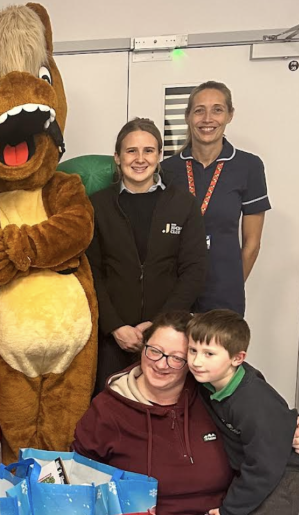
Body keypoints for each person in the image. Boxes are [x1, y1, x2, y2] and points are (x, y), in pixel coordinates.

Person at [72, 311, 299, 515]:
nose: (160, 363)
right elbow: (80, 476)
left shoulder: (216, 394)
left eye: (177, 358)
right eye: (154, 350)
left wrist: (297, 424)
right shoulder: (108, 408)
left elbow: (260, 406)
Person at [187, 309, 299, 515]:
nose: (195, 361)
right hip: (249, 474)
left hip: (284, 475)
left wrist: (230, 512)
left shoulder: (252, 401)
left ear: (237, 358)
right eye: (192, 350)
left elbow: (265, 466)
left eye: (209, 354)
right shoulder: (209, 382)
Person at [87, 118, 207, 395]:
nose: (140, 159)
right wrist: (115, 326)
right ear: (117, 157)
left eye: (149, 151)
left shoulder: (183, 204)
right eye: (131, 151)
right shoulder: (97, 205)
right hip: (113, 338)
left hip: (169, 336)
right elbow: (91, 271)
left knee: (166, 413)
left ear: (159, 156)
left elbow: (194, 270)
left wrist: (160, 324)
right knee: (110, 413)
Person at [162, 81, 269, 315]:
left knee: (216, 352)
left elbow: (252, 242)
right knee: (174, 352)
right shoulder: (166, 170)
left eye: (217, 109)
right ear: (188, 116)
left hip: (224, 292)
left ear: (230, 115)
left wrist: (232, 285)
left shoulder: (248, 166)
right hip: (173, 290)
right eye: (199, 110)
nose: (207, 118)